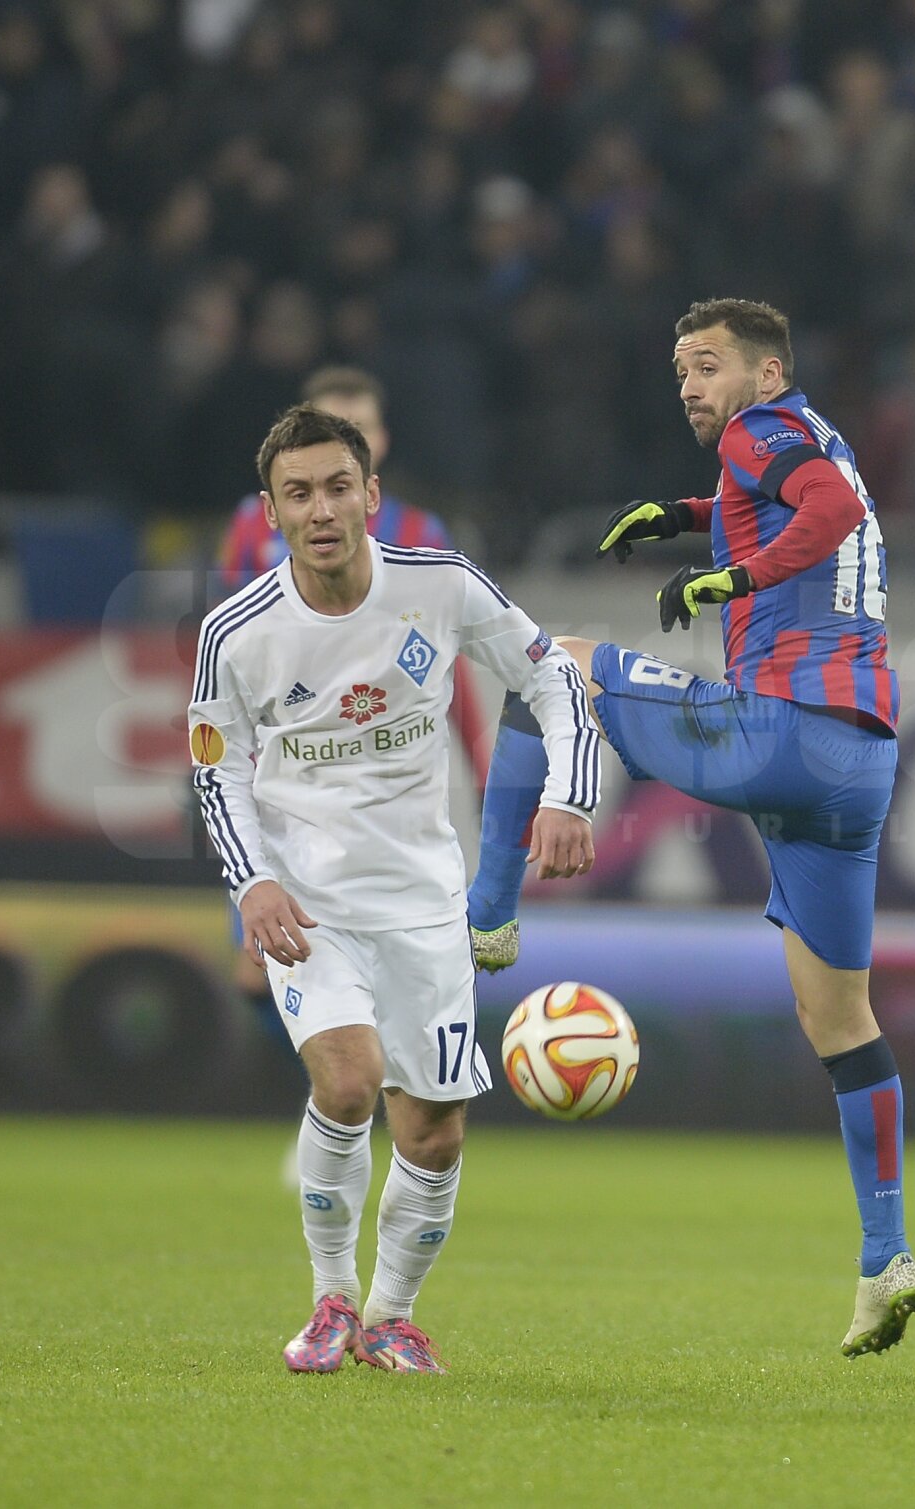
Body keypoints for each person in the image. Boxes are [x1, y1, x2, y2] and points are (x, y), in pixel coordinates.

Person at [467, 297, 915, 1359]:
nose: (690, 383)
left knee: (550, 661)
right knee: (841, 1023)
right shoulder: (798, 439)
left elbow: (823, 516)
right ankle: (884, 1255)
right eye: (681, 367)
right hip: (857, 766)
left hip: (787, 728)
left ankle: (486, 916)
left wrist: (734, 573)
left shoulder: (764, 435)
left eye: (709, 364)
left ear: (766, 375)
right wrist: (684, 517)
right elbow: (791, 502)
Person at [189, 404, 598, 1373]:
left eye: (338, 487)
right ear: (271, 511)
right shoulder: (236, 632)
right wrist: (252, 887)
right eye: (299, 493)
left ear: (373, 496)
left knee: (435, 1134)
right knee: (346, 1078)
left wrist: (570, 796)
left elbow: (553, 679)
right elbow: (216, 769)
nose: (321, 508)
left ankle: (390, 1317)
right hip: (307, 905)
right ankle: (329, 1302)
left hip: (422, 902)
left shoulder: (441, 587)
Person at [218, 366, 490, 1067]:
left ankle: (347, 1095)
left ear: (378, 445)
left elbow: (449, 664)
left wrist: (484, 767)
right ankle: (326, 1094)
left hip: (382, 787)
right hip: (277, 781)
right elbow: (223, 651)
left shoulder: (421, 535)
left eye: (361, 428)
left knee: (371, 973)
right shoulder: (252, 528)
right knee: (256, 966)